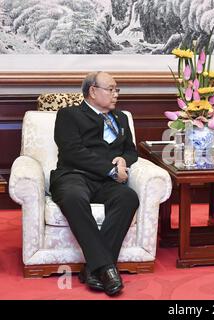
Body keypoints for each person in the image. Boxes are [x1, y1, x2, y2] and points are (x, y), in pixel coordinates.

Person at [50, 71, 139, 295]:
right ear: (92, 91)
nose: (116, 94)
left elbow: (131, 150)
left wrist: (123, 159)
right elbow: (72, 152)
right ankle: (106, 268)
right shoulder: (69, 115)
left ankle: (92, 268)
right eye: (111, 89)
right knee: (72, 197)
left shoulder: (120, 118)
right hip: (74, 175)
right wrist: (110, 169)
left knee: (128, 197)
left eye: (117, 89)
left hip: (105, 182)